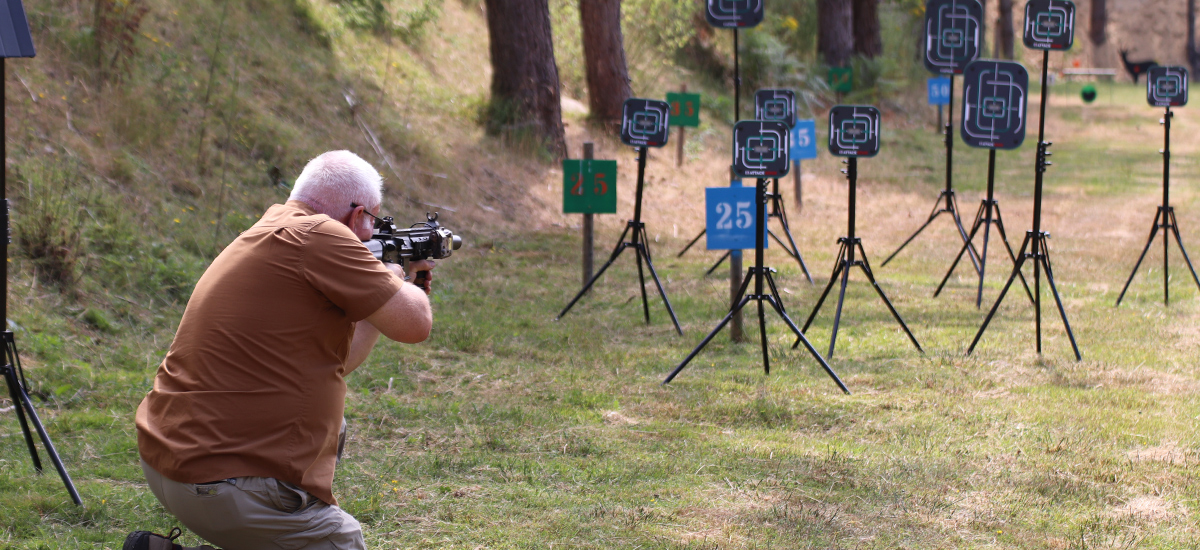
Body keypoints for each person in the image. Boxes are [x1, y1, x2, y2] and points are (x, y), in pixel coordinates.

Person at [125, 151, 435, 550]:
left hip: (172, 465)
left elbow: (338, 363)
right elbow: (416, 325)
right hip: (220, 486)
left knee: (330, 427)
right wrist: (398, 279)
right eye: (373, 222)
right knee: (342, 543)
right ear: (359, 216)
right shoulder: (324, 235)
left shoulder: (272, 228)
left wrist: (378, 298)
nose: (369, 236)